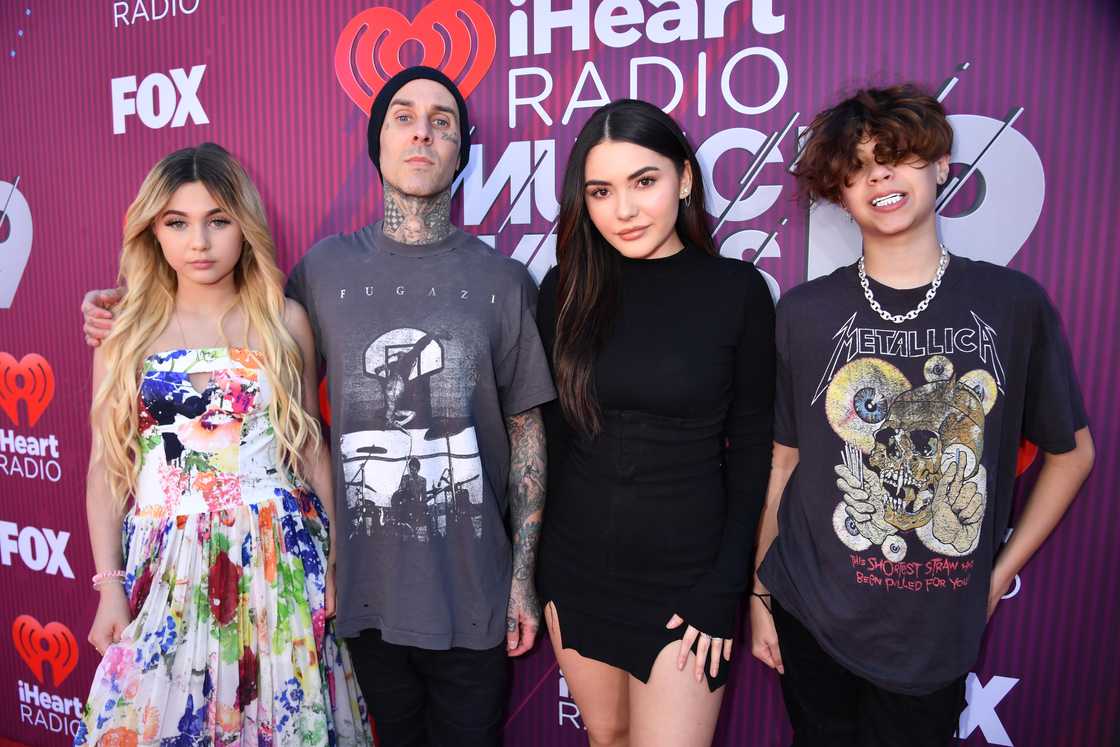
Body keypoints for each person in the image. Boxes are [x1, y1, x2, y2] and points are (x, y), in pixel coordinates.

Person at [82, 67, 555, 747]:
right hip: (289, 585)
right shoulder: (322, 273)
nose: (422, 131)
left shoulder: (500, 283)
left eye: (442, 120)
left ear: (462, 148)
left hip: (409, 587)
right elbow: (119, 452)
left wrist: (520, 575)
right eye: (403, 116)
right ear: (376, 140)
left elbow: (520, 430)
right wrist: (120, 308)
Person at [749, 85, 1095, 746]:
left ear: (941, 166)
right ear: (841, 194)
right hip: (808, 607)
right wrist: (761, 596)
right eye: (856, 167)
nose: (879, 174)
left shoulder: (1011, 303)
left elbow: (1072, 453)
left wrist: (996, 575)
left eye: (898, 155)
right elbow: (785, 462)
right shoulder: (804, 311)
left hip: (934, 629)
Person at [77, 143, 372, 745]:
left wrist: (340, 555)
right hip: (167, 565)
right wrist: (109, 587)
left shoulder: (282, 320)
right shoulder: (124, 334)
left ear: (245, 224)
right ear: (152, 232)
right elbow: (107, 467)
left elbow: (311, 447)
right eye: (177, 223)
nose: (199, 242)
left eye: (218, 220)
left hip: (278, 559)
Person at [535, 99, 775, 746]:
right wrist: (539, 572)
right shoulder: (563, 290)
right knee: (606, 736)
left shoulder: (738, 291)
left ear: (685, 178)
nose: (625, 209)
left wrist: (727, 584)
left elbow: (754, 449)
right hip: (577, 570)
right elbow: (551, 441)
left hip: (689, 579)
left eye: (645, 181)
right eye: (601, 191)